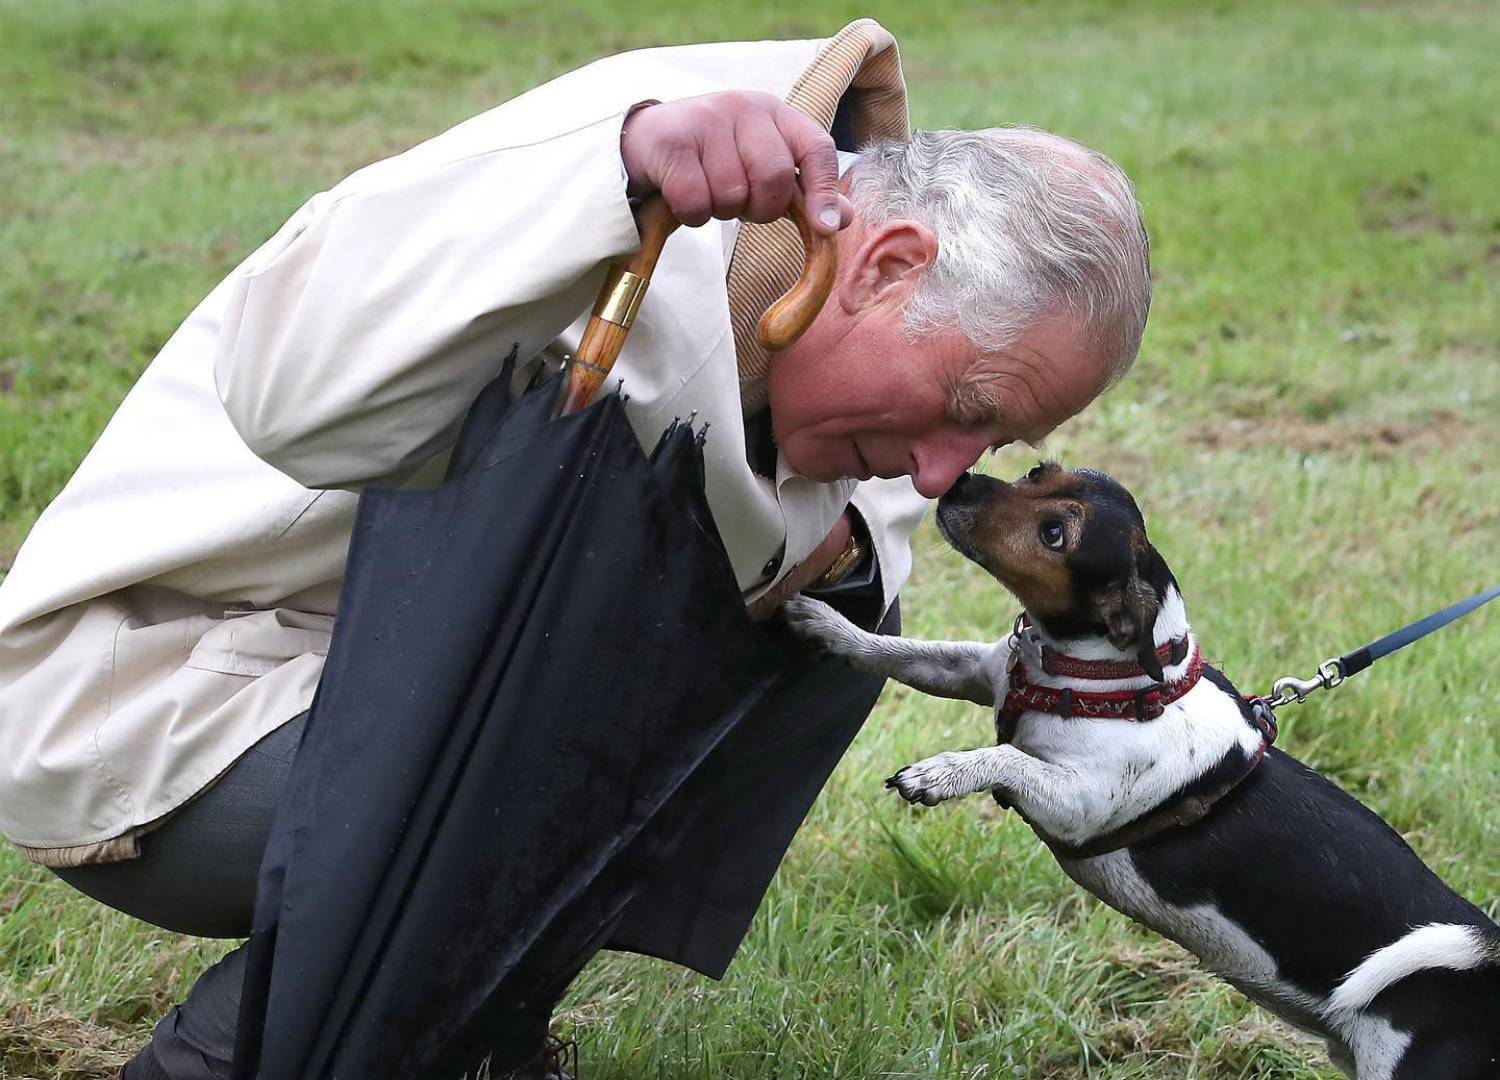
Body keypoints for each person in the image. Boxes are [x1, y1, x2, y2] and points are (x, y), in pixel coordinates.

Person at [0, 19, 1150, 1080]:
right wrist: (610, 176)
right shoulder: (639, 156)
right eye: (967, 403)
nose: (948, 472)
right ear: (889, 264)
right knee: (591, 721)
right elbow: (286, 396)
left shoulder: (830, 282)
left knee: (833, 627)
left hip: (392, 693)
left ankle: (464, 1015)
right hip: (159, 697)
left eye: (993, 438)